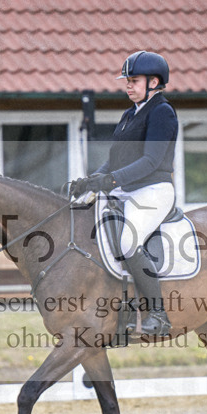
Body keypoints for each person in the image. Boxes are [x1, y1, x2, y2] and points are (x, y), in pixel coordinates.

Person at [69, 50, 178, 336]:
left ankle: (157, 313)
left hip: (154, 189)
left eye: (134, 80)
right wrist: (92, 181)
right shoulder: (131, 113)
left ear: (154, 82)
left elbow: (151, 161)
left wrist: (112, 180)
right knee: (93, 227)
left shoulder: (162, 112)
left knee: (129, 241)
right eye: (126, 81)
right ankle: (121, 312)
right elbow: (116, 158)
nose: (128, 85)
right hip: (128, 189)